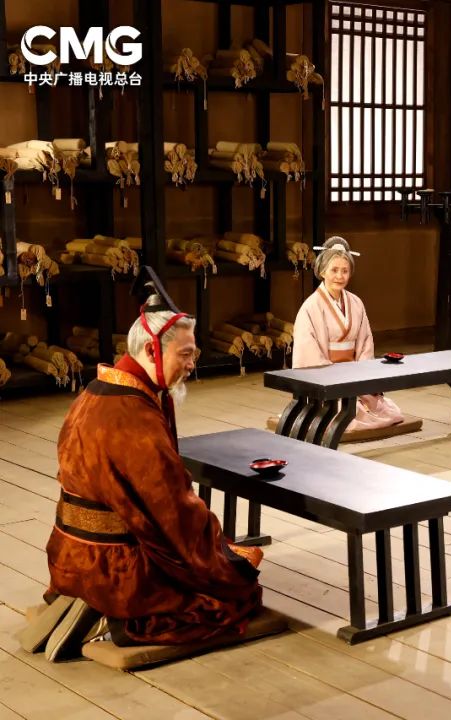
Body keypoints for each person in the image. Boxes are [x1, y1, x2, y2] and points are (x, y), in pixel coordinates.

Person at [25, 279, 264, 662]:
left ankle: (91, 604)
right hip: (115, 570)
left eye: (194, 354)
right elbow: (172, 511)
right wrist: (221, 552)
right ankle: (115, 619)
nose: (192, 365)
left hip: (69, 557)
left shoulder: (98, 390)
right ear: (152, 351)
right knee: (236, 592)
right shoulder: (132, 416)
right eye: (184, 355)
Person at [292, 236, 406, 432]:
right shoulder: (310, 308)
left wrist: (360, 377)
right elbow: (308, 353)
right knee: (348, 417)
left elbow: (365, 344)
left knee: (388, 411)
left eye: (345, 271)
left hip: (354, 377)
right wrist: (335, 381)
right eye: (334, 270)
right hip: (327, 380)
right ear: (322, 271)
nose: (340, 276)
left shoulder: (356, 303)